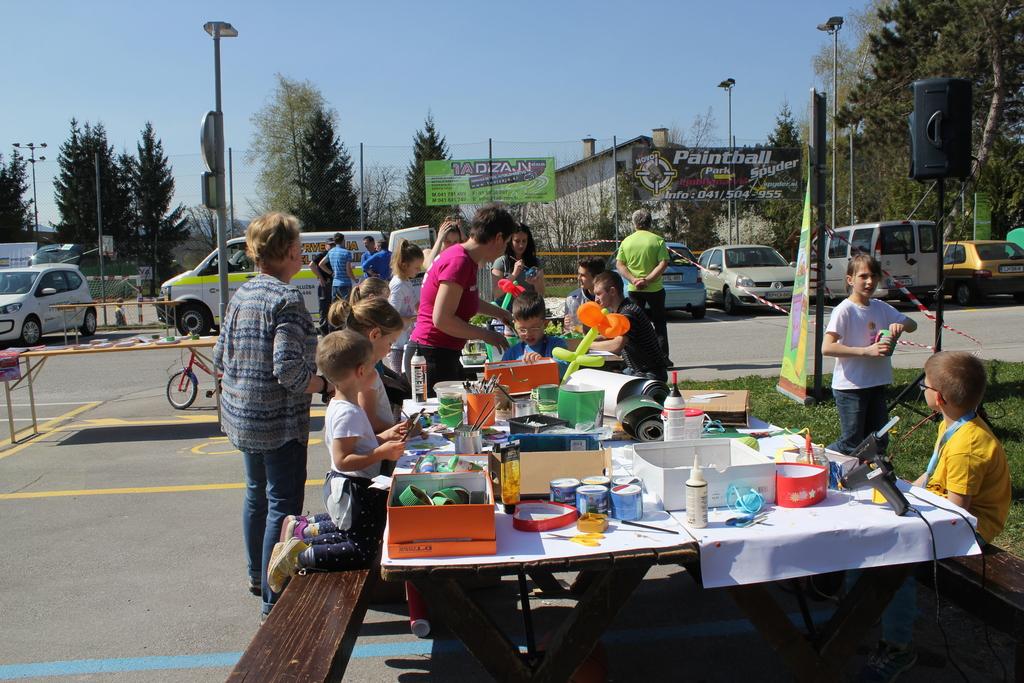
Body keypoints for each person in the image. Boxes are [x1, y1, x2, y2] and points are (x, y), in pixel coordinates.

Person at [852, 351, 1010, 683]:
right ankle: (857, 613)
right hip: (950, 514)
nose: (922, 389)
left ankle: (898, 647)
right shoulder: (952, 424)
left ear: (938, 397)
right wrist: (907, 489)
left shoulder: (968, 446)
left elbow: (957, 511)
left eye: (924, 385)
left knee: (895, 560)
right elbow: (933, 475)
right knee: (867, 534)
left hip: (970, 528)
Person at [212, 212, 329, 622]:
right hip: (278, 423)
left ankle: (255, 575)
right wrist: (327, 386)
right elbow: (290, 372)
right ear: (293, 250)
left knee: (256, 495)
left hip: (243, 418)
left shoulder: (241, 295)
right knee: (283, 508)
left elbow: (219, 356)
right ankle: (273, 601)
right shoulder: (288, 301)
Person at [266, 330, 407, 592]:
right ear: (361, 372)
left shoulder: (342, 405)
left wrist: (385, 436)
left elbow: (359, 442)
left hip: (349, 487)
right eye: (373, 369)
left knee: (355, 530)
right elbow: (343, 460)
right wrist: (383, 453)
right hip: (352, 488)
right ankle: (297, 556)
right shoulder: (348, 412)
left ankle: (304, 531)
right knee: (361, 549)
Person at [409, 203, 516, 395]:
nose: (504, 249)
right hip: (431, 353)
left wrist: (500, 312)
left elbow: (465, 300)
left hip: (441, 352)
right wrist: (485, 335)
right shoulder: (459, 262)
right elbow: (442, 319)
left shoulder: (465, 258)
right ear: (498, 237)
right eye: (506, 242)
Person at [822, 254, 918, 455]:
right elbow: (827, 347)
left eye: (874, 276)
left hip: (875, 384)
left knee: (878, 441)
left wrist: (901, 324)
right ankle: (815, 458)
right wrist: (866, 351)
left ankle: (872, 471)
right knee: (850, 443)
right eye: (863, 276)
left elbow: (912, 325)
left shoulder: (880, 307)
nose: (870, 282)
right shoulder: (844, 310)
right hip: (851, 388)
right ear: (850, 280)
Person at [327, 296, 414, 431]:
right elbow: (369, 422)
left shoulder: (356, 367)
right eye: (390, 343)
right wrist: (404, 429)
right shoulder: (366, 374)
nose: (390, 350)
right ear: (374, 335)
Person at [589, 271, 670, 382]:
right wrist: (584, 340)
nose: (596, 299)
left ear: (612, 291)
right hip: (636, 370)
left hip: (650, 374)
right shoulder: (622, 310)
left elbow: (616, 345)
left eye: (599, 294)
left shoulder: (628, 313)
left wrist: (587, 346)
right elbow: (607, 335)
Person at [616, 209, 671, 360]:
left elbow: (620, 264)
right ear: (650, 223)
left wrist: (634, 280)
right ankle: (663, 357)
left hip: (634, 288)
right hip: (655, 288)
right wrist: (648, 280)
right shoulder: (658, 240)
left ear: (634, 223)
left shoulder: (627, 241)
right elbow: (663, 263)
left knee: (634, 324)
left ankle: (637, 357)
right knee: (659, 322)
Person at [501, 290, 569, 379]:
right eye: (522, 329)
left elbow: (565, 370)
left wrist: (543, 363)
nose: (528, 333)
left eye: (534, 328)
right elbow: (501, 377)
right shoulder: (512, 353)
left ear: (545, 324)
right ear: (515, 325)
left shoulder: (556, 345)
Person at [388, 240, 424, 375]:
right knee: (400, 378)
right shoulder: (398, 284)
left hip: (407, 342)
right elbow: (393, 317)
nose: (419, 270)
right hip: (396, 345)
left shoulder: (406, 281)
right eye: (416, 267)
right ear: (404, 265)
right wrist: (418, 318)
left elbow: (416, 304)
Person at [491, 223, 545, 298]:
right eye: (517, 241)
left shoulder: (536, 262)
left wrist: (536, 282)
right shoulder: (500, 262)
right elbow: (496, 293)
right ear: (510, 241)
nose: (521, 245)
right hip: (506, 305)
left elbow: (541, 294)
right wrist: (513, 275)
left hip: (528, 304)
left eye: (524, 241)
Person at [564, 255, 606, 334]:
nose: (578, 278)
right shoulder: (572, 299)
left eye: (583, 275)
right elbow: (568, 332)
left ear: (597, 277)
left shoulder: (610, 298)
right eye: (579, 274)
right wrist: (568, 327)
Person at [309, 236, 335, 334]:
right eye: (330, 245)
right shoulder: (323, 255)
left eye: (333, 245)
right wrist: (320, 278)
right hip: (325, 283)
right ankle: (323, 329)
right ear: (326, 246)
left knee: (332, 307)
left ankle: (329, 328)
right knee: (324, 307)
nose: (332, 247)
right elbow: (312, 265)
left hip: (332, 283)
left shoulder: (333, 254)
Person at [327, 232, 356, 303]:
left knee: (335, 305)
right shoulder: (346, 253)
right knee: (346, 305)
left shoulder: (331, 252)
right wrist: (355, 279)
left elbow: (321, 264)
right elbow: (348, 271)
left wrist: (331, 273)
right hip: (345, 283)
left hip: (335, 283)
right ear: (343, 241)